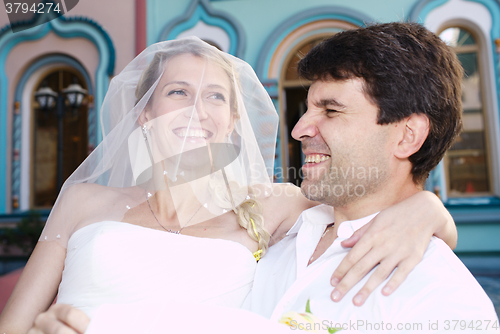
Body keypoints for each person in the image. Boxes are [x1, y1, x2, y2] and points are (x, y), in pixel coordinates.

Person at [0, 37, 457, 334]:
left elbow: (368, 199)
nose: (198, 110)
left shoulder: (269, 205)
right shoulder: (83, 200)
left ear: (232, 120)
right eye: (178, 92)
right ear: (144, 113)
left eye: (216, 96)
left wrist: (429, 210)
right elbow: (14, 325)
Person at [247, 22, 500, 333]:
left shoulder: (443, 300)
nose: (298, 130)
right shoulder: (274, 229)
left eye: (331, 111)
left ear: (408, 136)